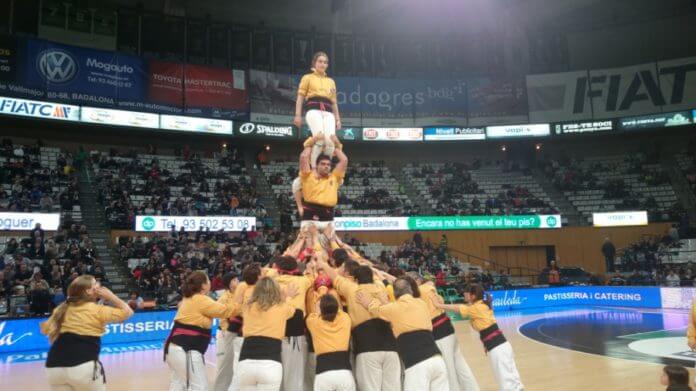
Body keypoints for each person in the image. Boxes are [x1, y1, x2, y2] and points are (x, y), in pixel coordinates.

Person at [318, 260, 401, 391]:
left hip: (367, 346)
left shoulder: (353, 289)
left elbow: (334, 276)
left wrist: (322, 264)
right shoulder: (381, 288)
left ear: (355, 279)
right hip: (391, 347)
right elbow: (380, 277)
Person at [40, 275, 134, 390]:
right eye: (95, 283)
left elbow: (45, 330)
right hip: (83, 365)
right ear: (88, 291)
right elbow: (128, 312)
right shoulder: (96, 310)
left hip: (54, 366)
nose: (99, 285)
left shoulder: (61, 308)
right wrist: (111, 296)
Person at [357, 278, 449, 391]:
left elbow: (378, 310)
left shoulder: (393, 308)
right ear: (410, 290)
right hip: (438, 361)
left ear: (394, 294)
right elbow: (399, 310)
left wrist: (370, 303)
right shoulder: (421, 303)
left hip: (417, 364)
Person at [433, 284, 524, 391]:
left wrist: (439, 305)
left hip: (498, 348)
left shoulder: (477, 308)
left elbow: (458, 308)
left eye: (466, 293)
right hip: (500, 346)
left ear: (473, 295)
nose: (464, 295)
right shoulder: (479, 306)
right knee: (512, 378)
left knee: (506, 381)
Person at [165, 271, 240, 391]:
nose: (210, 283)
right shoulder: (201, 299)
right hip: (186, 350)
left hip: (174, 349)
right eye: (208, 280)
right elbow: (225, 311)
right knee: (200, 387)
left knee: (179, 384)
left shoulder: (189, 298)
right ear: (203, 285)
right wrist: (242, 302)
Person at [418, 276, 480, 391]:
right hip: (448, 329)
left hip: (440, 333)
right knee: (460, 365)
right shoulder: (431, 290)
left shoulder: (421, 290)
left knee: (449, 368)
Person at [236, 277, 298, 390]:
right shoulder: (282, 307)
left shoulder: (247, 307)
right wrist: (288, 297)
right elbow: (292, 310)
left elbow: (239, 302)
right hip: (270, 363)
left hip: (245, 362)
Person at [294, 51, 342, 169]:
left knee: (330, 142)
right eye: (320, 61)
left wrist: (338, 119)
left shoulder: (331, 81)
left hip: (328, 113)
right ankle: (314, 169)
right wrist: (297, 115)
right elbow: (300, 97)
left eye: (325, 62)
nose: (323, 64)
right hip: (313, 110)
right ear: (314, 63)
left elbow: (334, 102)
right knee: (319, 138)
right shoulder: (307, 78)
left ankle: (325, 168)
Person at [297, 134, 348, 230]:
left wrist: (336, 145)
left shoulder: (335, 177)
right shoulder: (307, 175)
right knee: (309, 243)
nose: (326, 166)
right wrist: (311, 143)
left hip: (328, 216)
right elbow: (304, 157)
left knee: (329, 244)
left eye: (328, 164)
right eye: (323, 164)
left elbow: (344, 160)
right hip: (310, 215)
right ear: (316, 165)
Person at [306, 294, 355, 391]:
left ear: (320, 309)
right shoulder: (345, 319)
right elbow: (339, 311)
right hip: (344, 374)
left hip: (323, 374)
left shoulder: (313, 322)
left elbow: (314, 314)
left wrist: (319, 306)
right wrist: (331, 302)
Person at [212, 272, 239, 391]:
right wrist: (227, 332)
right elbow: (222, 318)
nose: (237, 281)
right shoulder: (223, 298)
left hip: (237, 334)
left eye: (237, 279)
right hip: (225, 334)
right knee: (223, 364)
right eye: (234, 280)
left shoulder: (240, 294)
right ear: (229, 284)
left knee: (235, 364)